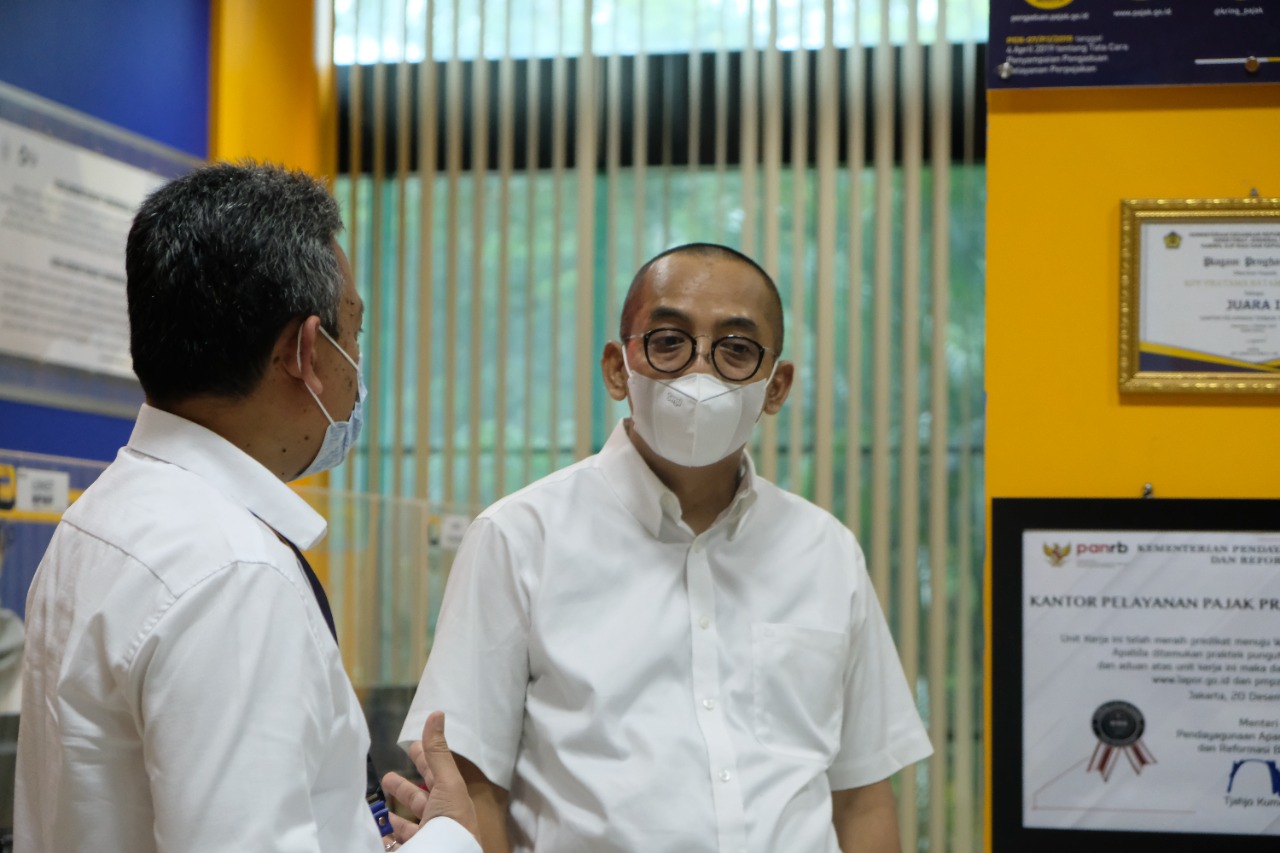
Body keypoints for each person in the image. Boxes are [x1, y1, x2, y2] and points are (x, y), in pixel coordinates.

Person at [399, 243, 933, 852]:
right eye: (669, 341)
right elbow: (475, 791)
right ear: (617, 368)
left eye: (736, 349)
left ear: (776, 386)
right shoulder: (518, 539)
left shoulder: (827, 551)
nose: (699, 374)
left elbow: (862, 797)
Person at [14, 162, 479, 853]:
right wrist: (451, 841)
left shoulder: (104, 517)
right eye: (353, 334)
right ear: (304, 350)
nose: (358, 366)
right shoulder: (233, 573)